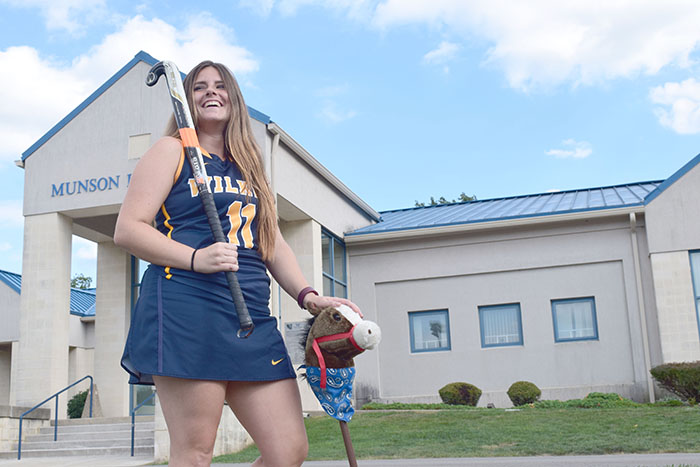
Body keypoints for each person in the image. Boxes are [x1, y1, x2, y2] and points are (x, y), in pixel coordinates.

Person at [114, 60, 361, 467]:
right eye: (199, 87)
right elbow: (128, 229)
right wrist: (196, 257)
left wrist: (308, 295)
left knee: (287, 451)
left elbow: (271, 241)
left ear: (234, 98)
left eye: (220, 86)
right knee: (195, 453)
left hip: (251, 317)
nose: (211, 92)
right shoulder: (171, 150)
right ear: (186, 100)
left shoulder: (249, 167)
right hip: (187, 310)